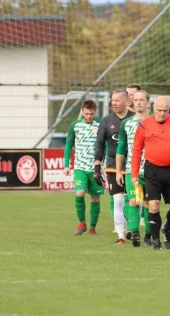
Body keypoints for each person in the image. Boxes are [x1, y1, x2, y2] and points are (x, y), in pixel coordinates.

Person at [131, 96, 170, 251]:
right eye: (159, 110)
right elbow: (137, 150)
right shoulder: (144, 125)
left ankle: (167, 228)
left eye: (165, 110)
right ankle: (156, 241)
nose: (162, 113)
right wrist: (134, 173)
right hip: (152, 170)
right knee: (153, 205)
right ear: (153, 108)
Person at [94, 90, 134, 244]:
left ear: (126, 101)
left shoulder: (134, 119)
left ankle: (133, 227)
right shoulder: (106, 121)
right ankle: (120, 236)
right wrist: (97, 166)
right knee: (118, 201)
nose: (114, 103)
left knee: (134, 200)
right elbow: (99, 144)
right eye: (112, 100)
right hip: (112, 167)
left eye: (117, 100)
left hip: (132, 166)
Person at [116, 90, 151, 247]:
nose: (138, 102)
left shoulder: (153, 122)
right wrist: (118, 170)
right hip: (133, 171)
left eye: (141, 100)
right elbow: (121, 148)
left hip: (151, 171)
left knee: (149, 203)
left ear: (147, 103)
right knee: (134, 200)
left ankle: (149, 234)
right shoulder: (126, 124)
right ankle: (135, 232)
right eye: (136, 100)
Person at [64, 99, 103, 236]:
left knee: (95, 198)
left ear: (95, 112)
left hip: (95, 168)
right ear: (82, 111)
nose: (89, 116)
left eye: (91, 114)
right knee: (79, 193)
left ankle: (92, 227)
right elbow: (68, 145)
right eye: (86, 113)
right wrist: (66, 164)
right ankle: (82, 223)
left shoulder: (100, 124)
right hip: (80, 166)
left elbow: (106, 144)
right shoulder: (75, 125)